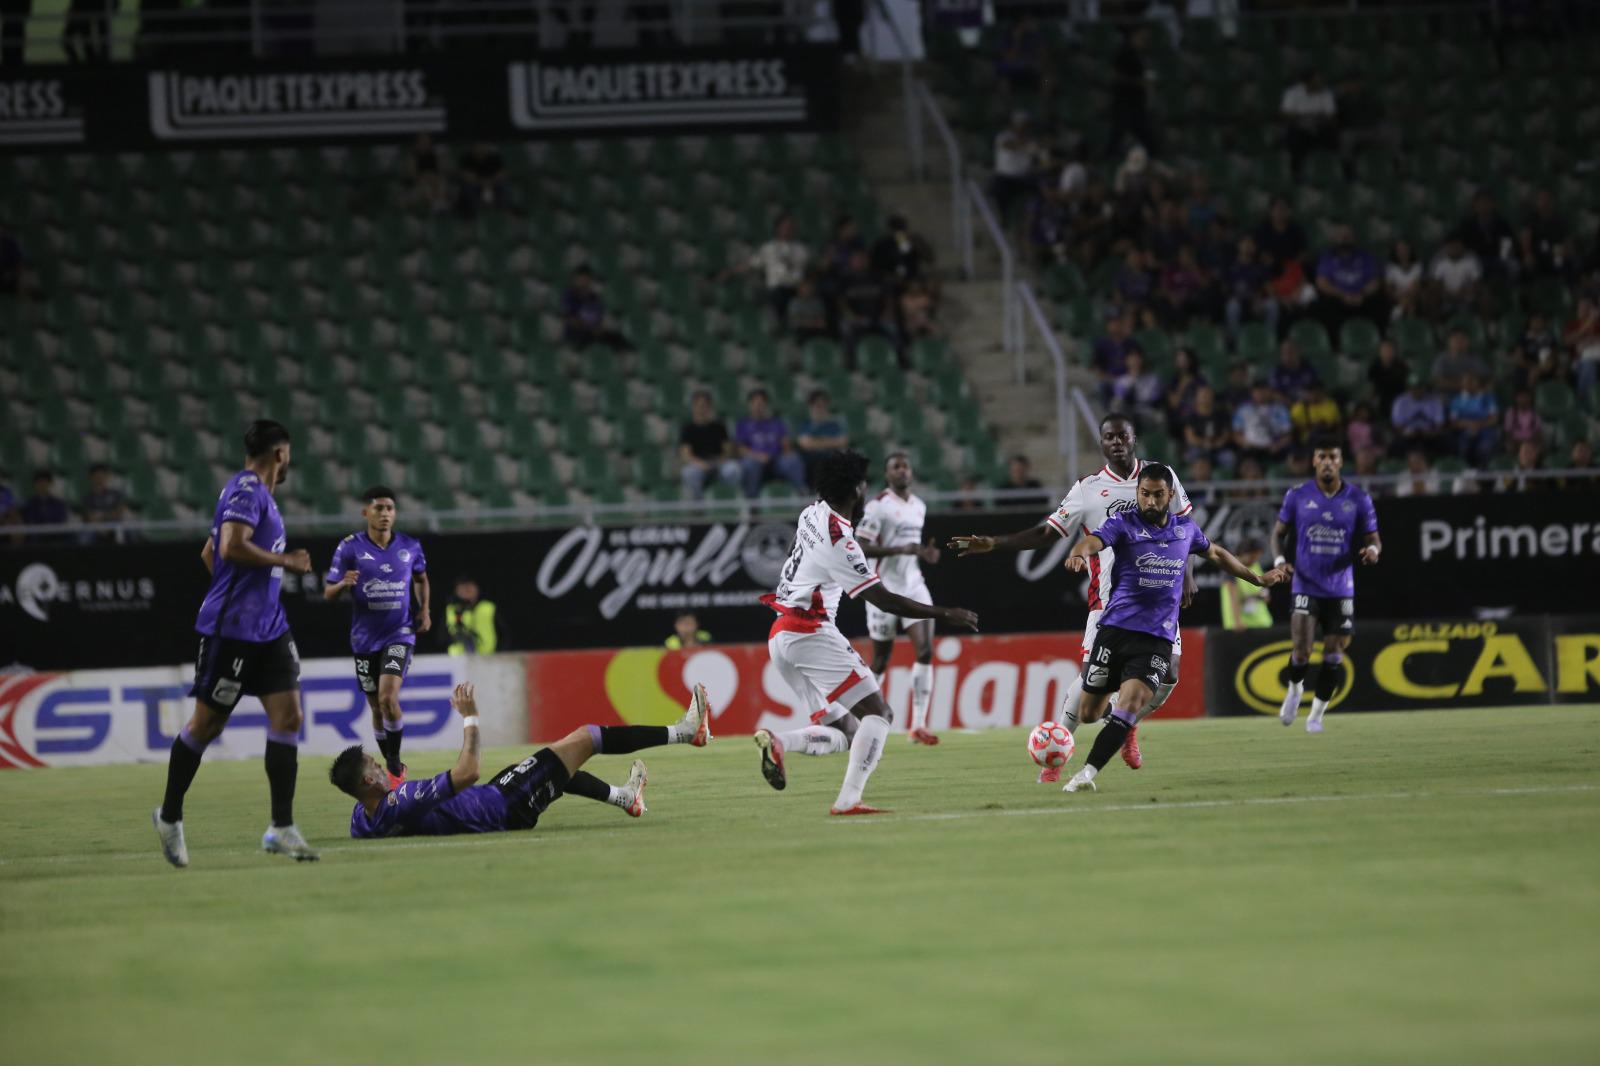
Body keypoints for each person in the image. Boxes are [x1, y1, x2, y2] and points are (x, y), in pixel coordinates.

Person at [948, 415, 1196, 781]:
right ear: (1101, 443)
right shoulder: (1088, 489)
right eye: (1108, 437)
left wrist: (1187, 574)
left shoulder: (1162, 477)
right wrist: (994, 543)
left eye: (1121, 436)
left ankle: (1124, 724)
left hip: (1159, 600)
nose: (1115, 442)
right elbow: (1046, 533)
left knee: (1169, 674)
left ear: (1134, 439)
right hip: (1109, 602)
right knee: (1089, 684)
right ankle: (1059, 753)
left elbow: (1185, 526)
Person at [751, 451, 978, 814]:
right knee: (880, 714)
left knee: (848, 732)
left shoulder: (811, 513)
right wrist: (944, 612)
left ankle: (779, 741)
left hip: (780, 635)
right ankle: (848, 801)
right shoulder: (841, 540)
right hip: (809, 630)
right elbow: (885, 600)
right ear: (858, 489)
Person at [152, 420, 319, 868]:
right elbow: (228, 547)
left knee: (289, 716)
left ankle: (280, 828)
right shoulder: (246, 489)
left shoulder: (258, 497)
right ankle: (169, 816)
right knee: (207, 726)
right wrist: (285, 560)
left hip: (269, 627)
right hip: (232, 632)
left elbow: (210, 554)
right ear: (280, 454)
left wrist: (246, 591)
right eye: (289, 455)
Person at [1061, 464, 1287, 791]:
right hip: (1114, 632)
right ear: (1138, 494)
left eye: (1157, 495)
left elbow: (1218, 554)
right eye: (1144, 494)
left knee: (1132, 704)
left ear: (1170, 495)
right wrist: (1079, 552)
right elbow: (1094, 541)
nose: (1150, 501)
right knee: (1089, 713)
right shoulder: (1123, 523)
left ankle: (1086, 774)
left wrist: (1258, 578)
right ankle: (1113, 717)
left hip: (1156, 639)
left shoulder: (1186, 530)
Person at [330, 682, 711, 838]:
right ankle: (685, 732)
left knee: (555, 766)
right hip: (501, 807)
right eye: (375, 768)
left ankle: (625, 798)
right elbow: (467, 772)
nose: (382, 769)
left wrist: (394, 785)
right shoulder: (401, 802)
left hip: (493, 798)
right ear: (365, 783)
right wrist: (470, 717)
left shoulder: (361, 821)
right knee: (586, 737)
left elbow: (390, 802)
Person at [1270, 437, 1381, 733]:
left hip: (1341, 587)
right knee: (1302, 651)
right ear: (1314, 461)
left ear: (1341, 462)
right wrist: (1280, 560)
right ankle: (1294, 689)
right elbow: (1277, 533)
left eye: (1334, 456)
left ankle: (1316, 715)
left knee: (1333, 654)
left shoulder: (1359, 499)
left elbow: (1373, 538)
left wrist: (1374, 552)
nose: (1328, 461)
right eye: (1323, 456)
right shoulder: (1297, 496)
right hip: (1305, 584)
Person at [323, 486, 431, 788]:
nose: (385, 514)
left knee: (387, 697)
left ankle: (394, 763)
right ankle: (393, 765)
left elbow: (422, 579)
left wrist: (425, 609)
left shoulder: (410, 546)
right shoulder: (349, 548)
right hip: (364, 639)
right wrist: (343, 583)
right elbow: (328, 593)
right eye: (379, 508)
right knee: (376, 708)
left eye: (390, 508)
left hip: (400, 634)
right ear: (365, 512)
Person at [857, 454, 945, 746]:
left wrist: (923, 553)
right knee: (880, 660)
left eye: (906, 465)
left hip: (913, 585)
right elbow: (861, 546)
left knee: (925, 651)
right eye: (896, 466)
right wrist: (899, 550)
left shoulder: (919, 505)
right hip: (883, 589)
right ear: (887, 474)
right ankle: (865, 721)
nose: (903, 470)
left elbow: (912, 547)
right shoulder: (877, 506)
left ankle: (918, 725)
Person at [731, 212, 808, 327]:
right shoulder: (768, 248)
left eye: (790, 226)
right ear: (777, 228)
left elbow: (806, 271)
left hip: (797, 289)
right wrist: (731, 272)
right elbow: (752, 264)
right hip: (777, 289)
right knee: (779, 298)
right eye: (784, 226)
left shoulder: (801, 249)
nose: (787, 229)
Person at [735, 388, 807, 498]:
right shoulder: (743, 424)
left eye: (762, 403)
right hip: (755, 459)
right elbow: (741, 449)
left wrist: (787, 452)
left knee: (793, 460)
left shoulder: (776, 423)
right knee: (749, 464)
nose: (759, 406)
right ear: (750, 404)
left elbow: (785, 443)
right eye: (755, 403)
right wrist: (758, 456)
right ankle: (751, 500)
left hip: (776, 460)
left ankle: (802, 494)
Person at [677, 389, 742, 500]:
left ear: (709, 407)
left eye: (704, 406)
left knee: (733, 470)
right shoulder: (687, 429)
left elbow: (728, 451)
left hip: (718, 464)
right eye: (699, 406)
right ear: (693, 407)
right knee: (688, 473)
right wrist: (701, 464)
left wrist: (719, 461)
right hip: (699, 464)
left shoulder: (719, 427)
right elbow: (685, 455)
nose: (702, 409)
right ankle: (700, 502)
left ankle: (730, 499)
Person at [1280, 69, 1338, 180]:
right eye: (1316, 80)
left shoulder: (1326, 93)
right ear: (1307, 82)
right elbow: (1286, 115)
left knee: (1333, 135)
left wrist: (1312, 119)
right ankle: (1296, 174)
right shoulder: (1292, 93)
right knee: (1295, 138)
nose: (1320, 83)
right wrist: (1308, 118)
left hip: (1320, 127)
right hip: (1298, 128)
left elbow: (1331, 117)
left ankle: (1329, 172)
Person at [559, 266, 631, 351]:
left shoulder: (594, 297)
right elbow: (569, 319)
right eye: (580, 279)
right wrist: (589, 328)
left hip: (593, 332)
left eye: (586, 279)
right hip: (576, 334)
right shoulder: (569, 295)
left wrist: (599, 328)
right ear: (575, 280)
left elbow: (598, 317)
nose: (583, 282)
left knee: (617, 339)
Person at [795, 389, 849, 487]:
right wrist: (830, 442)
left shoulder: (834, 425)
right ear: (811, 406)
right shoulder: (805, 425)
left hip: (831, 458)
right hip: (810, 461)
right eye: (818, 405)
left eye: (824, 405)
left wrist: (816, 442)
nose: (821, 409)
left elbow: (842, 441)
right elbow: (805, 444)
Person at [1449, 372, 1500, 466]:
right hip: (1464, 432)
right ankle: (1465, 474)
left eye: (1472, 381)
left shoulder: (1488, 397)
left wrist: (1478, 425)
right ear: (1462, 384)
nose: (1469, 384)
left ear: (1478, 383)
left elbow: (1494, 419)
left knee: (1485, 449)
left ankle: (1483, 477)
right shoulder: (1456, 400)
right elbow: (1453, 422)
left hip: (1486, 432)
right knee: (1463, 447)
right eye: (1467, 382)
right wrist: (1470, 425)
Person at [1221, 540, 1274, 631]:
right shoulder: (1230, 567)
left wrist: (1263, 596)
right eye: (1252, 557)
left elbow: (1264, 593)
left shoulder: (1256, 565)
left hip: (1262, 623)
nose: (1254, 560)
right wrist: (1237, 621)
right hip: (1241, 627)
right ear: (1244, 553)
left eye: (1257, 557)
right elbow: (1232, 597)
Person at [1390, 373, 1447, 456]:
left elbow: (1440, 424)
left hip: (1429, 434)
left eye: (1420, 387)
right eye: (1414, 387)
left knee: (1443, 443)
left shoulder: (1434, 400)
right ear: (1409, 388)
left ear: (1425, 388)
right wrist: (1405, 432)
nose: (1417, 390)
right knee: (1396, 445)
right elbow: (1397, 425)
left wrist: (1433, 433)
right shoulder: (1400, 401)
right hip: (1407, 434)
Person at [446, 576, 496, 655]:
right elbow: (442, 637)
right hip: (458, 660)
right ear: (456, 589)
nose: (466, 589)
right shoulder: (451, 609)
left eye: (469, 585)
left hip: (490, 659)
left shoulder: (489, 607)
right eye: (462, 586)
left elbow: (505, 634)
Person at [79, 462, 129, 536]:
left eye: (102, 477)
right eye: (97, 477)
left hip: (114, 526)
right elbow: (88, 517)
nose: (99, 480)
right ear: (91, 477)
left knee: (129, 533)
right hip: (94, 528)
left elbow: (119, 515)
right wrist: (100, 525)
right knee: (85, 537)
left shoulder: (116, 494)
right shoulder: (87, 497)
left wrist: (101, 516)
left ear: (107, 477)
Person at [21, 468, 71, 541]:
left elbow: (62, 521)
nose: (42, 485)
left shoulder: (59, 503)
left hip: (56, 539)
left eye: (45, 482)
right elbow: (29, 522)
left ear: (50, 483)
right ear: (35, 484)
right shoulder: (30, 504)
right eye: (39, 482)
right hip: (37, 540)